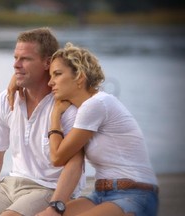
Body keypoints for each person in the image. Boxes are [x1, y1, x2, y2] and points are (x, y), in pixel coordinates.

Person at [0, 28, 85, 216]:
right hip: (10, 185)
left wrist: (57, 206)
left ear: (48, 63)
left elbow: (75, 165)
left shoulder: (68, 107)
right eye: (15, 58)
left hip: (48, 188)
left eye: (26, 59)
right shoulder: (6, 100)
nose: (16, 65)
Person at [41, 42, 159, 216]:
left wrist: (55, 116)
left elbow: (57, 157)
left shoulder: (96, 104)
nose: (50, 82)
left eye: (57, 74)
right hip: (100, 194)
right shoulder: (84, 110)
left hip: (135, 194)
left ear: (79, 77)